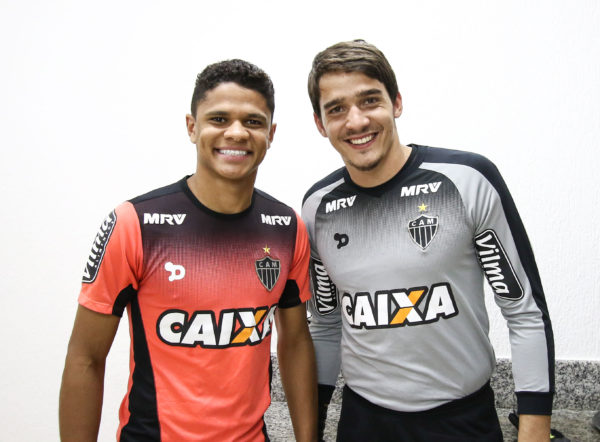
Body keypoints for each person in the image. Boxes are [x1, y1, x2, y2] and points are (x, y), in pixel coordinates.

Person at [302, 40, 554, 442]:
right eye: (336, 109)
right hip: (363, 422)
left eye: (370, 100)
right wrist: (310, 427)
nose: (356, 121)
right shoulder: (317, 207)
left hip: (462, 421)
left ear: (396, 102)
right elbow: (326, 325)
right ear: (320, 124)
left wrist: (535, 426)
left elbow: (523, 311)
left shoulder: (468, 180)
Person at [59, 59, 317, 441]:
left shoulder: (287, 227)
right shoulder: (135, 223)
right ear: (191, 127)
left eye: (253, 121)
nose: (236, 132)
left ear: (271, 133)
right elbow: (85, 358)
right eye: (218, 119)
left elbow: (295, 342)